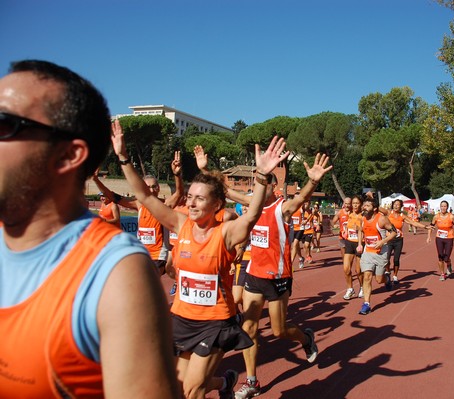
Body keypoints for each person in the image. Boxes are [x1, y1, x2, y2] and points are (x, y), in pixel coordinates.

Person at [0, 60, 178, 397]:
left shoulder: (115, 273)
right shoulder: (132, 207)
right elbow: (125, 197)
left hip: (155, 255)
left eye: (5, 123)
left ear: (68, 155)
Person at [112, 120, 290, 399]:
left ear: (217, 205)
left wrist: (263, 176)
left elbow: (253, 215)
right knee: (175, 387)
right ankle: (224, 383)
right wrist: (123, 157)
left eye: (199, 199)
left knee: (192, 390)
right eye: (190, 197)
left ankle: (219, 383)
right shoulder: (180, 223)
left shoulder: (227, 232)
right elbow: (144, 196)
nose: (191, 203)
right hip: (182, 318)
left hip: (214, 322)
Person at [192, 146, 331, 399]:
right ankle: (252, 381)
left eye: (263, 182)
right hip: (254, 275)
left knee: (279, 331)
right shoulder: (250, 203)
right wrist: (203, 169)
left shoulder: (282, 207)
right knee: (249, 329)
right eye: (257, 180)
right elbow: (224, 189)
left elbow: (301, 199)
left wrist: (312, 181)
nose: (258, 186)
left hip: (277, 279)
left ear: (273, 188)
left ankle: (305, 338)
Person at [94, 153, 184, 276]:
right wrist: (95, 180)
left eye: (154, 186)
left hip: (158, 255)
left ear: (158, 188)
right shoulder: (139, 204)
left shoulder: (165, 205)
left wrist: (177, 174)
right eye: (148, 187)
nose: (152, 190)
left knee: (148, 280)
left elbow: (179, 193)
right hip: (142, 252)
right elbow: (113, 196)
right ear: (143, 189)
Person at [357, 197, 397, 315]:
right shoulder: (362, 218)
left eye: (367, 206)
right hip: (368, 252)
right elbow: (360, 230)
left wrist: (382, 241)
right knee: (367, 276)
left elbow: (394, 232)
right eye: (364, 205)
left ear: (374, 208)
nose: (364, 207)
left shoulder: (382, 219)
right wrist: (360, 244)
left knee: (379, 280)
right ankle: (366, 304)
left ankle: (387, 279)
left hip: (381, 252)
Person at [387, 199, 430, 284]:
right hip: (388, 240)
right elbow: (377, 207)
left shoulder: (402, 216)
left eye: (398, 204)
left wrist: (425, 227)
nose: (396, 206)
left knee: (396, 259)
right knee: (386, 258)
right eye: (394, 204)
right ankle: (387, 272)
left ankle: (395, 276)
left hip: (398, 240)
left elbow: (413, 223)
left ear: (401, 206)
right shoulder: (388, 213)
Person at [427, 200, 454, 281]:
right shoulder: (436, 216)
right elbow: (431, 226)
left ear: (447, 207)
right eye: (442, 206)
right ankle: (442, 274)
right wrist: (429, 236)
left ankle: (449, 264)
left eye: (445, 206)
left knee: (446, 257)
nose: (443, 208)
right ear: (440, 207)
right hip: (439, 238)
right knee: (440, 257)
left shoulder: (451, 217)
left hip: (449, 238)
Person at [341, 196, 364, 300]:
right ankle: (350, 289)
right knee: (346, 268)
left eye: (357, 203)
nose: (355, 205)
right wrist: (345, 230)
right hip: (349, 242)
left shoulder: (363, 216)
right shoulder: (349, 214)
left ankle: (363, 287)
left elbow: (367, 229)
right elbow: (346, 225)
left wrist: (360, 229)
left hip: (359, 244)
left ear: (361, 204)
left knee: (358, 270)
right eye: (353, 203)